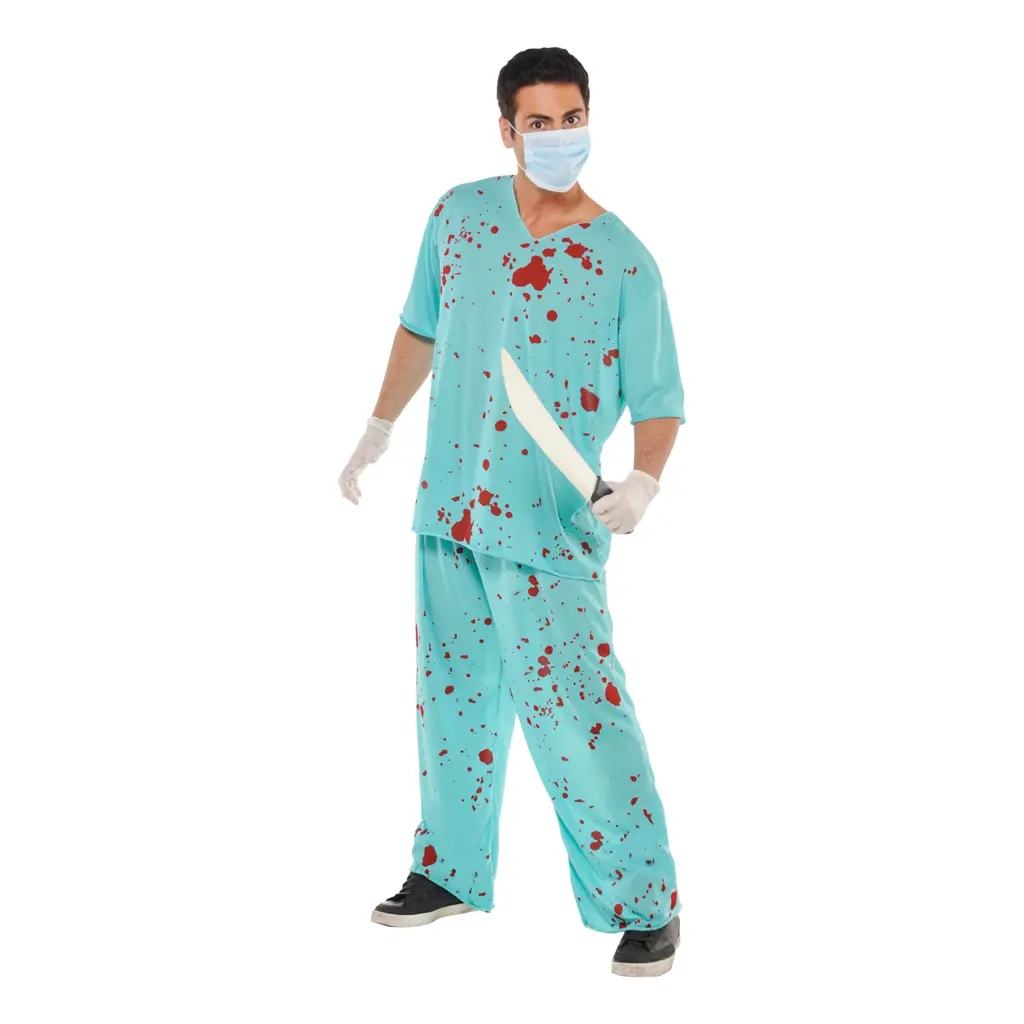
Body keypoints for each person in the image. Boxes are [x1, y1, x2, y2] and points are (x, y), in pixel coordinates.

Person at [339, 46, 686, 978]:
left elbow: (660, 401)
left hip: (547, 525)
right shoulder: (459, 216)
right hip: (449, 505)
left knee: (578, 716)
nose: (559, 135)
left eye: (572, 118)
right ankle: (448, 870)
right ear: (507, 130)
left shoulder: (623, 260)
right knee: (452, 701)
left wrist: (644, 482)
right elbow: (420, 325)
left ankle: (646, 902)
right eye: (540, 122)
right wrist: (378, 425)